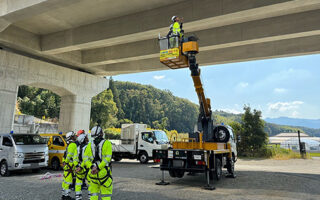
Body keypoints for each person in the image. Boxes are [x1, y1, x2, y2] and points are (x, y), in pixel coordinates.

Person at [83, 125, 113, 200]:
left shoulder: (89, 145)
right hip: (104, 173)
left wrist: (92, 167)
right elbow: (107, 159)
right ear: (101, 134)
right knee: (106, 196)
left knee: (93, 195)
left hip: (93, 174)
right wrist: (98, 168)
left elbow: (85, 159)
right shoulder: (107, 143)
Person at [62, 131, 78, 200]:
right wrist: (66, 162)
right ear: (71, 137)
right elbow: (70, 155)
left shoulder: (68, 145)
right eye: (73, 136)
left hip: (67, 166)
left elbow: (66, 155)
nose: (75, 137)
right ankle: (66, 197)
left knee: (65, 182)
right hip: (70, 166)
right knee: (68, 182)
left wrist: (64, 162)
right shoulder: (73, 145)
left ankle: (64, 195)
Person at [75, 132, 89, 200]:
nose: (87, 139)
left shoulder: (77, 148)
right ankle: (90, 197)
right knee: (91, 183)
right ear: (83, 139)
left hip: (79, 168)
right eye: (86, 138)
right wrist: (81, 166)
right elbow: (87, 159)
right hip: (86, 167)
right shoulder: (88, 147)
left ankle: (78, 197)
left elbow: (75, 158)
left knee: (78, 184)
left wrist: (78, 166)